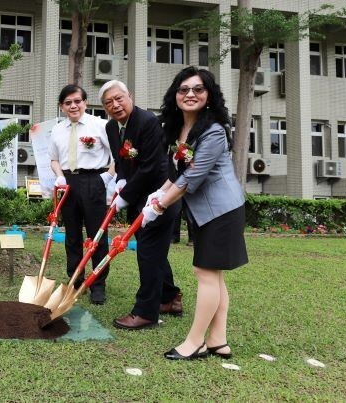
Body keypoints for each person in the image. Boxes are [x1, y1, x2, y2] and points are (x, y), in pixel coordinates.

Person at [142, 66, 248, 360]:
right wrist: (158, 193)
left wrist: (160, 205)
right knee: (214, 275)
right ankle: (218, 340)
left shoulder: (213, 131)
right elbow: (177, 172)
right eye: (183, 89)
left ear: (209, 95)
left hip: (222, 210)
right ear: (175, 95)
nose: (190, 94)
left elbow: (192, 178)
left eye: (198, 89)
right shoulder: (179, 129)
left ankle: (195, 342)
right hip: (205, 212)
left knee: (205, 273)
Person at [99, 79, 183, 329]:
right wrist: (120, 181)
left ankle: (146, 312)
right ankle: (169, 298)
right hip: (137, 197)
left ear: (130, 96)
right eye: (108, 102)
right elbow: (122, 160)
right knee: (153, 251)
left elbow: (151, 166)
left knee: (148, 253)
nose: (115, 105)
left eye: (119, 98)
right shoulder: (111, 128)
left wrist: (126, 194)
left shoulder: (148, 122)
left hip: (161, 197)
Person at [48, 85, 114, 305]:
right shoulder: (57, 129)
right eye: (68, 103)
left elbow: (118, 156)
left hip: (94, 180)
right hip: (68, 183)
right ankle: (75, 280)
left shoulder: (101, 126)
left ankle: (98, 284)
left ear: (85, 102)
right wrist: (59, 176)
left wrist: (106, 178)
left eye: (77, 101)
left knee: (97, 235)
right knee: (72, 235)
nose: (73, 106)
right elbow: (54, 159)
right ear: (62, 106)